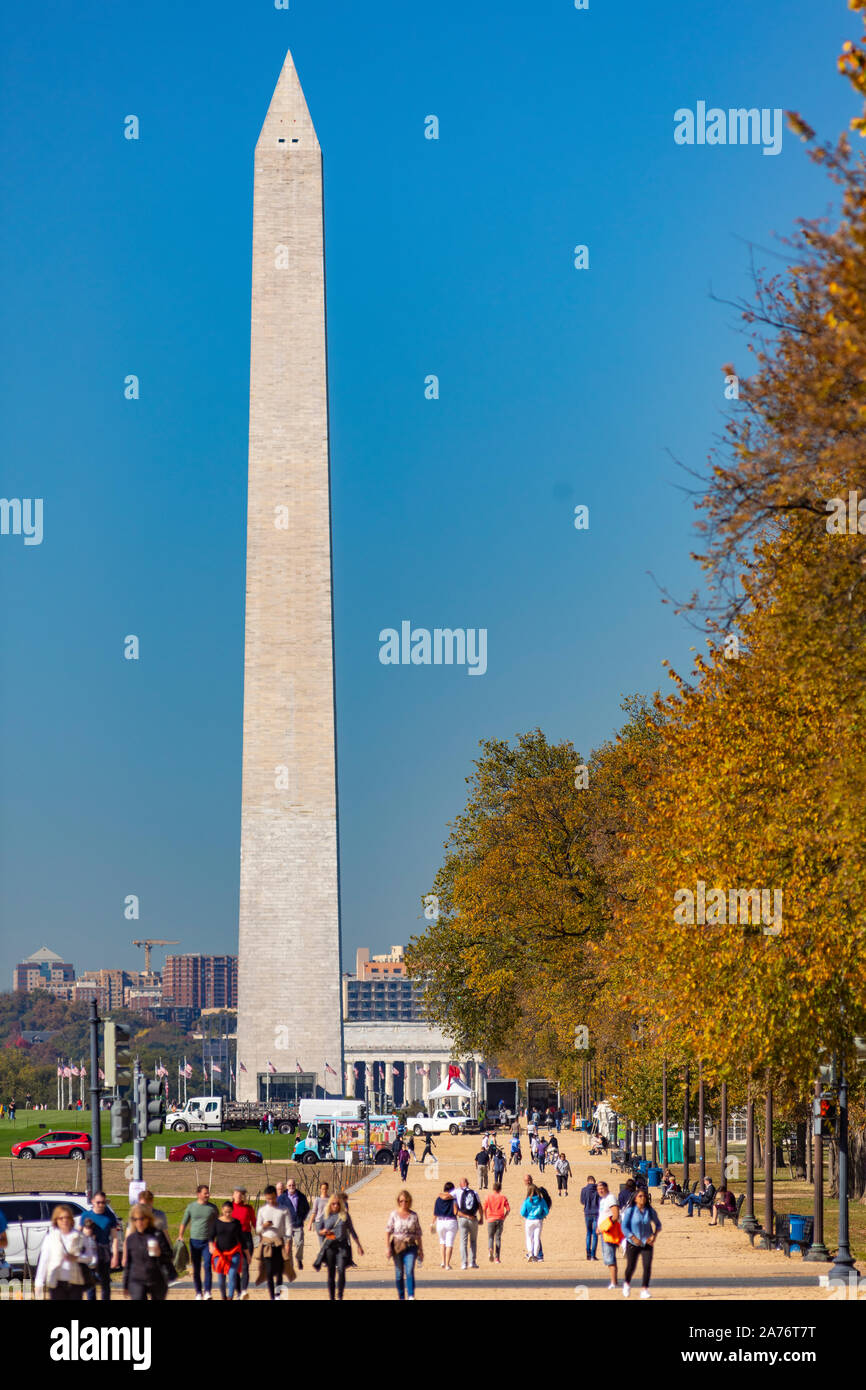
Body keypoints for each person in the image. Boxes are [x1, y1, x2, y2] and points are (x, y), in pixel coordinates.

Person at [314, 1194, 363, 1301]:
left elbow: (352, 1230)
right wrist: (323, 1232)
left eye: (337, 1204)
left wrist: (359, 1246)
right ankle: (332, 1297)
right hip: (330, 1246)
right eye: (333, 1204)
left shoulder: (344, 1215)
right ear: (330, 1204)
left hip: (342, 1246)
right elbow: (319, 1230)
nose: (335, 1206)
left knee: (341, 1270)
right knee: (331, 1272)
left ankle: (340, 1295)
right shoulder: (325, 1215)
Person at [35, 1205, 86, 1300]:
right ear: (56, 1220)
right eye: (61, 1218)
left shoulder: (79, 1236)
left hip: (75, 1281)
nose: (64, 1220)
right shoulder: (51, 1237)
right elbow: (44, 1260)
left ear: (71, 1219)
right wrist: (39, 1282)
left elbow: (89, 1256)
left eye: (67, 1217)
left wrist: (77, 1258)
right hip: (56, 1281)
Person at [123, 1204, 173, 1302]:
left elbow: (169, 1255)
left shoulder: (157, 1234)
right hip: (137, 1279)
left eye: (142, 1219)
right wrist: (125, 1284)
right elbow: (128, 1263)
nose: (139, 1222)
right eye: (135, 1219)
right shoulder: (131, 1239)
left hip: (156, 1278)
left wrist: (159, 1253)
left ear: (148, 1219)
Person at [178, 1184, 219, 1300]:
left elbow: (218, 1224)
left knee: (207, 1266)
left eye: (208, 1193)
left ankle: (207, 1292)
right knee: (196, 1268)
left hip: (208, 1242)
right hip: (194, 1242)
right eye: (205, 1193)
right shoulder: (191, 1207)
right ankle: (198, 1292)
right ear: (198, 1194)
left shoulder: (213, 1208)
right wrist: (180, 1235)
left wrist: (217, 1239)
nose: (208, 1195)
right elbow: (184, 1222)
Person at [620, 1188, 661, 1299]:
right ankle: (627, 1284)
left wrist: (654, 1235)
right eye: (640, 1196)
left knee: (647, 1266)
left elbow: (658, 1224)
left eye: (644, 1196)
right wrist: (632, 1237)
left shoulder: (650, 1211)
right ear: (635, 1199)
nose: (643, 1198)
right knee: (631, 1266)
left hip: (647, 1242)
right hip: (632, 1243)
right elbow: (624, 1227)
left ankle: (644, 1289)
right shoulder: (630, 1211)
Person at [78, 1191, 119, 1301]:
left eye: (103, 1202)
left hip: (104, 1251)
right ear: (92, 1202)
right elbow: (78, 1234)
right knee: (90, 1283)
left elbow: (114, 1237)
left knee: (105, 1283)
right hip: (89, 1251)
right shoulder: (85, 1215)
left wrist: (115, 1255)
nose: (101, 1205)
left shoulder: (110, 1216)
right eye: (98, 1202)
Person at [385, 1189, 424, 1300]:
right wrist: (387, 1247)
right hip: (397, 1246)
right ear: (398, 1201)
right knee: (399, 1273)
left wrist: (421, 1249)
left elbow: (418, 1233)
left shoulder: (413, 1216)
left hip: (411, 1246)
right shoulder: (394, 1215)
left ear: (409, 1201)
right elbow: (388, 1231)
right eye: (401, 1201)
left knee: (409, 1270)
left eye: (406, 1201)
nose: (403, 1203)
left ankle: (411, 1296)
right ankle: (401, 1297)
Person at [256, 1185, 288, 1301]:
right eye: (268, 1199)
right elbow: (257, 1230)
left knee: (279, 1272)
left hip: (279, 1243)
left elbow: (288, 1227)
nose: (271, 1201)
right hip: (267, 1245)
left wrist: (288, 1241)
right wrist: (263, 1226)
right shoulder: (262, 1211)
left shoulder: (283, 1209)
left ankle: (278, 1295)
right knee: (269, 1273)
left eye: (273, 1198)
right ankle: (272, 1297)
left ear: (276, 1196)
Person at [210, 1201, 243, 1301]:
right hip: (219, 1254)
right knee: (221, 1279)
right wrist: (211, 1245)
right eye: (225, 1212)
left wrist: (247, 1254)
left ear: (232, 1211)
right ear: (222, 1210)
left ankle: (230, 1297)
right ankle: (223, 1296)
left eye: (229, 1212)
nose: (227, 1214)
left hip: (234, 1253)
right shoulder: (216, 1222)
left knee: (232, 1275)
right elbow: (211, 1236)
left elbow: (241, 1238)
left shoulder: (236, 1223)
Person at [278, 1178, 310, 1269]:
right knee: (288, 1246)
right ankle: (290, 1265)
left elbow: (307, 1208)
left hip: (298, 1224)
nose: (292, 1187)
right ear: (287, 1187)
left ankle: (299, 1258)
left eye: (293, 1185)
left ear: (295, 1186)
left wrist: (302, 1218)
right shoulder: (281, 1198)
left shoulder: (301, 1196)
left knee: (300, 1243)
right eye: (289, 1185)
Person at [231, 1187, 256, 1299]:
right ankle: (238, 1291)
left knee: (245, 1266)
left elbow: (255, 1223)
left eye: (242, 1194)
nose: (239, 1195)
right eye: (237, 1193)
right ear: (233, 1194)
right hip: (233, 1239)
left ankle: (244, 1290)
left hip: (246, 1238)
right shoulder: (229, 1207)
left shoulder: (248, 1208)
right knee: (235, 1267)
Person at [455, 1177, 483, 1270]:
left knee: (463, 1241)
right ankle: (472, 1262)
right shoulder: (474, 1192)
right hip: (473, 1218)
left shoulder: (458, 1192)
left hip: (462, 1218)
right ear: (468, 1184)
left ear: (461, 1184)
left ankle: (464, 1263)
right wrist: (481, 1217)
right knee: (473, 1241)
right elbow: (480, 1206)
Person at [519, 1180, 549, 1262]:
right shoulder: (541, 1200)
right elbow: (546, 1211)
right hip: (538, 1220)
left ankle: (530, 1253)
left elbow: (522, 1212)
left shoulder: (527, 1200)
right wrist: (541, 1216)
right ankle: (536, 1255)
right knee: (536, 1238)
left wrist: (527, 1216)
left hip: (529, 1220)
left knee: (529, 1238)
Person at [432, 1181, 458, 1269]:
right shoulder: (453, 1199)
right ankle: (447, 1264)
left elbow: (435, 1213)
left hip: (440, 1221)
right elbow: (455, 1211)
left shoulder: (438, 1199)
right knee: (449, 1243)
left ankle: (443, 1262)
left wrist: (432, 1223)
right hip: (451, 1221)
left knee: (442, 1242)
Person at [598, 1202, 624, 1290]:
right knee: (611, 1258)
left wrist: (604, 1227)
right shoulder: (604, 1200)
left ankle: (614, 1282)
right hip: (607, 1231)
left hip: (609, 1232)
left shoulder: (609, 1199)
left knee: (610, 1258)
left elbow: (615, 1216)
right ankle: (614, 1281)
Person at [483, 1181, 510, 1263]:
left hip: (490, 1218)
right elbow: (508, 1209)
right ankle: (497, 1258)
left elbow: (484, 1208)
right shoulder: (503, 1197)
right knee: (497, 1238)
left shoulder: (488, 1197)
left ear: (493, 1188)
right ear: (500, 1189)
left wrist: (486, 1217)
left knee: (490, 1237)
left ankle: (490, 1249)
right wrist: (504, 1217)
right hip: (500, 1219)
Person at [579, 1174, 600, 1260]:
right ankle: (592, 1255)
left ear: (588, 1181)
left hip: (587, 1213)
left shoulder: (584, 1190)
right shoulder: (598, 1190)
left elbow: (582, 1201)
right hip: (596, 1213)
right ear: (594, 1181)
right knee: (595, 1235)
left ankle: (588, 1253)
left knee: (588, 1233)